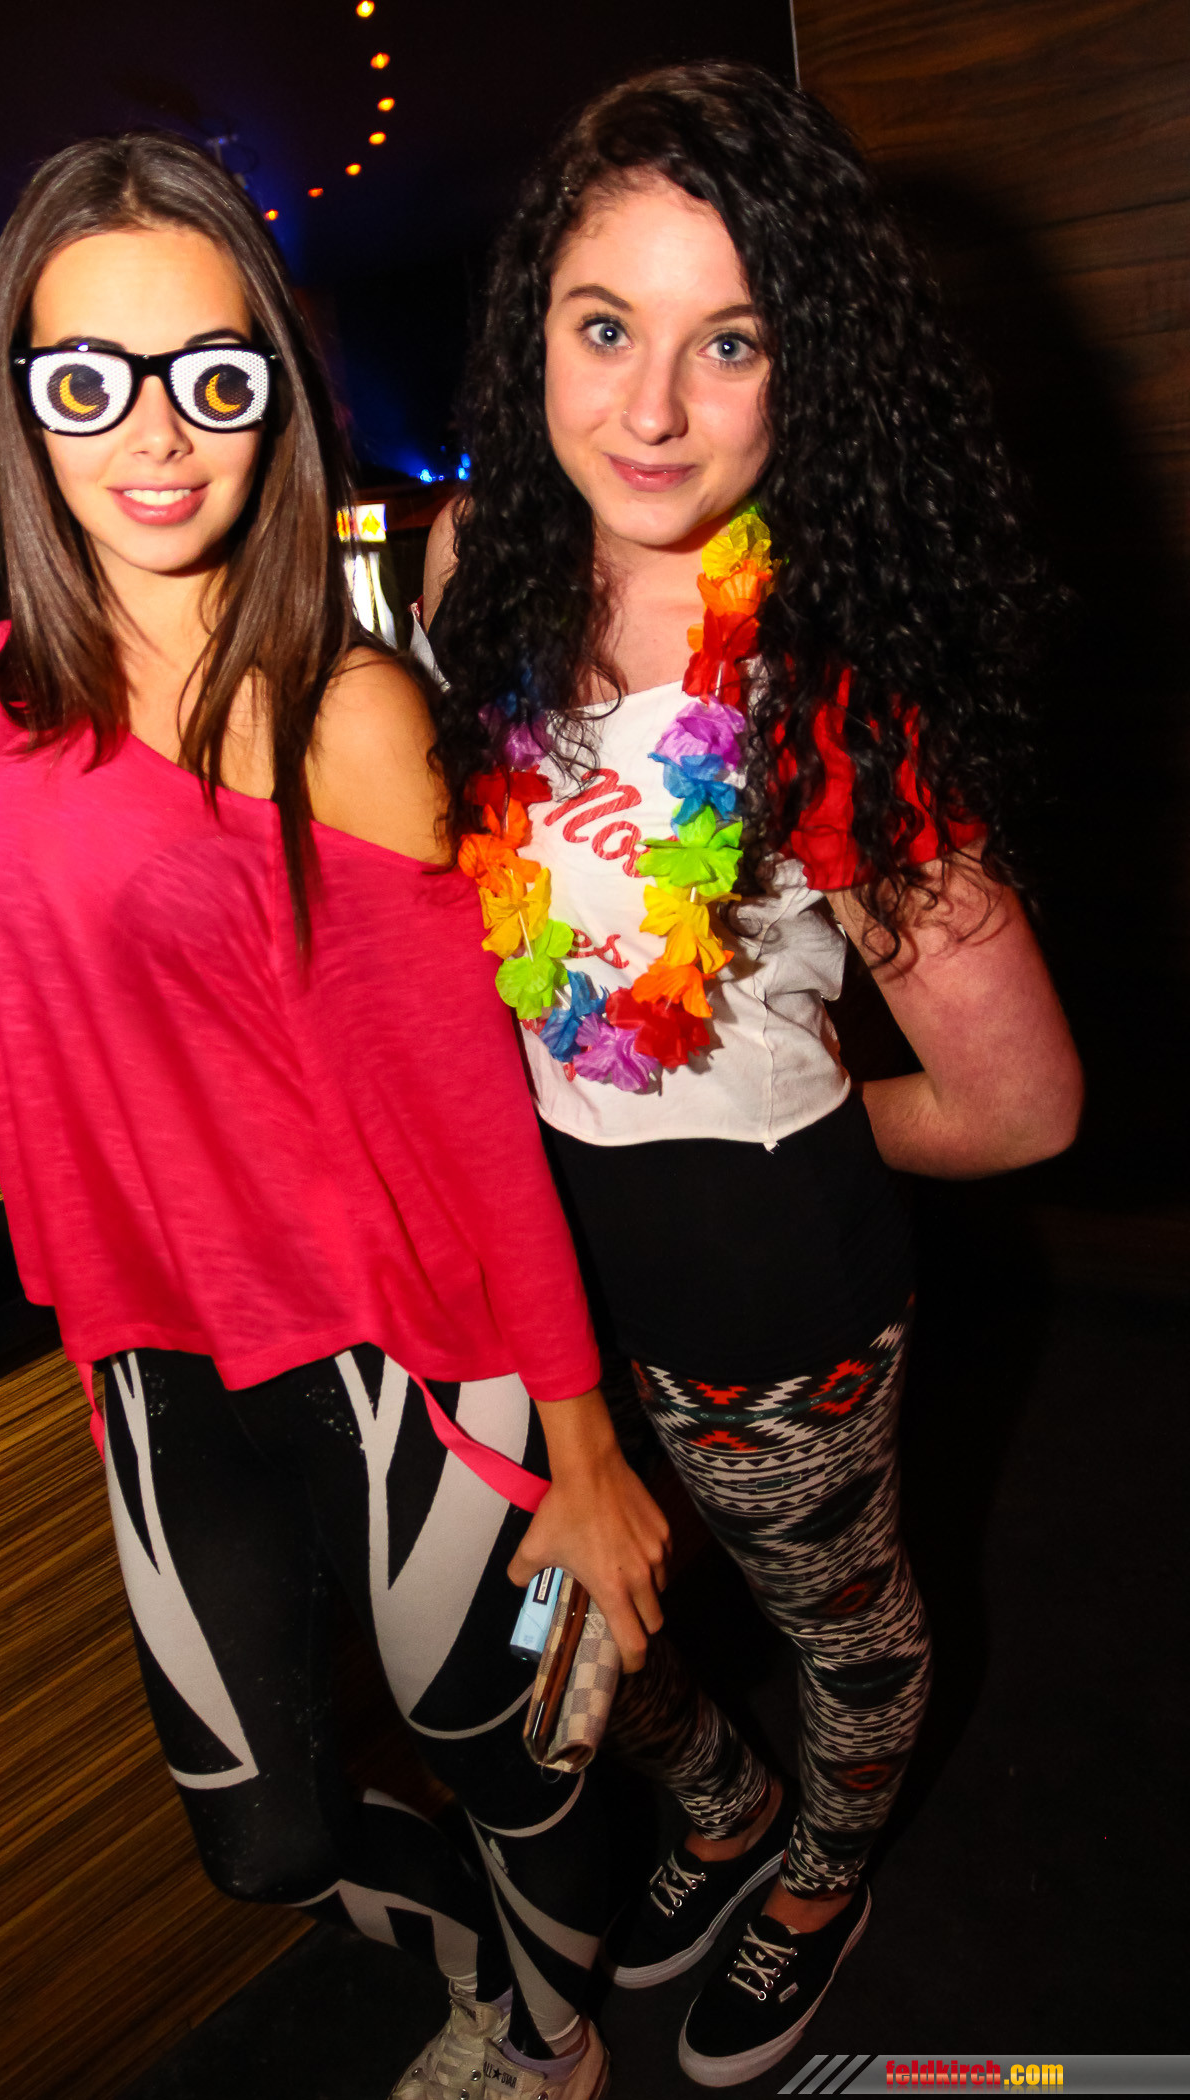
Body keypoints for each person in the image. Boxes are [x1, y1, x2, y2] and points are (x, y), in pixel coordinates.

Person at [0, 133, 670, 2100]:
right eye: (87, 379)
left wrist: (587, 1443)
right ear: (22, 402)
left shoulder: (350, 715)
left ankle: (550, 2045)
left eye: (211, 372)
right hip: (156, 1349)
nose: (155, 433)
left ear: (272, 386)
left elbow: (471, 1118)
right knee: (262, 1841)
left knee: (508, 1761)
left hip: (410, 1347)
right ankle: (508, 1980)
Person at [423, 62, 1083, 2089]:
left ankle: (819, 1869)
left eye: (730, 342)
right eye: (603, 325)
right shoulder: (474, 579)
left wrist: (775, 1128)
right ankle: (717, 1809)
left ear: (812, 369)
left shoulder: (835, 686)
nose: (649, 408)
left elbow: (1021, 1105)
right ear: (534, 327)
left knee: (842, 1631)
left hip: (766, 1300)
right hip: (531, 1280)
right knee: (560, 1630)